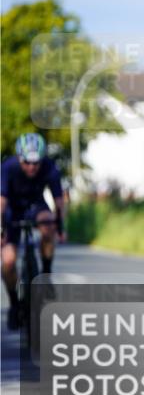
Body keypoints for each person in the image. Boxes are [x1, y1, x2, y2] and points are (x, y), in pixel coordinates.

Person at [1, 132, 66, 330]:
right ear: (20, 158)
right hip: (13, 209)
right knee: (9, 260)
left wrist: (60, 226)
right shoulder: (8, 168)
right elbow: (2, 202)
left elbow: (58, 200)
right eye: (27, 162)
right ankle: (14, 303)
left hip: (36, 205)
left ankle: (45, 274)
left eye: (36, 163)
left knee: (48, 226)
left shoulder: (49, 167)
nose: (31, 167)